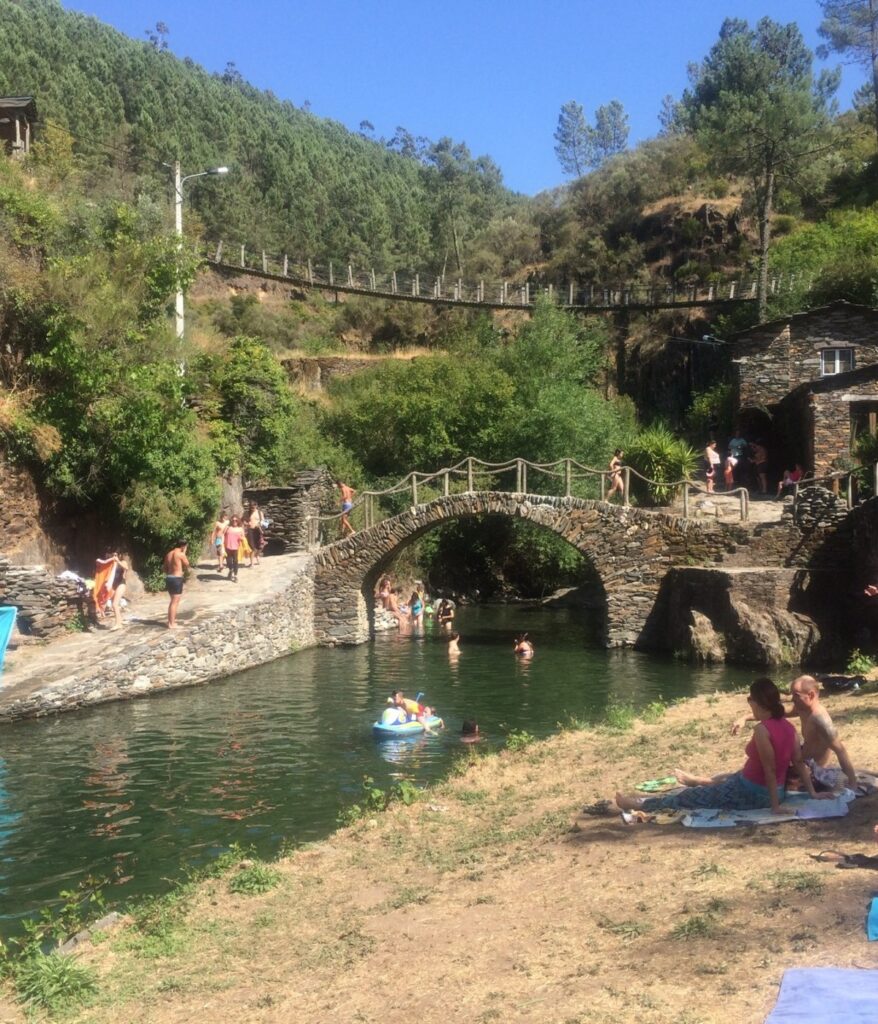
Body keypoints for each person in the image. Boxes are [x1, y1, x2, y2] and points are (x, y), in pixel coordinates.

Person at [615, 678, 827, 814]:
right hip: (753, 785)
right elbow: (798, 763)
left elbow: (771, 770)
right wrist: (813, 793)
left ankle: (639, 804)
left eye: (749, 700)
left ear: (756, 703)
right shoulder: (788, 728)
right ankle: (674, 789)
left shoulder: (763, 731)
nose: (748, 704)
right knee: (719, 781)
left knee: (687, 799)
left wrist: (774, 807)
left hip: (753, 793)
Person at [163, 539, 189, 629]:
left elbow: (165, 568)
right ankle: (171, 624)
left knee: (172, 601)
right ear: (183, 546)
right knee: (175, 602)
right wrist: (184, 553)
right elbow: (187, 563)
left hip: (169, 578)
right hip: (177, 579)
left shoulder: (169, 554)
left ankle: (171, 620)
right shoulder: (180, 554)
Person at [224, 515, 245, 582]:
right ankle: (230, 570)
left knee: (235, 561)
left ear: (238, 521)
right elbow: (222, 535)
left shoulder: (240, 529)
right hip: (227, 547)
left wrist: (241, 538)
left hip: (236, 548)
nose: (234, 521)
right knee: (229, 562)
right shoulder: (227, 527)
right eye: (233, 520)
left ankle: (235, 576)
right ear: (231, 521)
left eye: (236, 520)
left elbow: (243, 537)